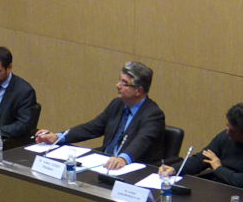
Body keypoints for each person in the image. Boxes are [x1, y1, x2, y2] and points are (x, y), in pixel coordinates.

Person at [33, 61, 166, 170]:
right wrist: (58, 137)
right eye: (119, 80)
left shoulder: (153, 115)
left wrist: (123, 158)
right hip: (105, 165)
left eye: (124, 83)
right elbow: (92, 127)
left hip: (132, 172)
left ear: (139, 90)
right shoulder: (117, 104)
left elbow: (141, 142)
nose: (117, 85)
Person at [158, 102, 243, 189]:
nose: (227, 132)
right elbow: (202, 158)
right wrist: (175, 169)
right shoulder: (226, 136)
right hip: (215, 186)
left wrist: (219, 169)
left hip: (239, 196)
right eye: (227, 126)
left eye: (233, 131)